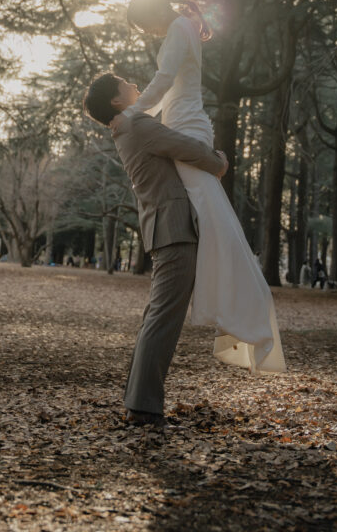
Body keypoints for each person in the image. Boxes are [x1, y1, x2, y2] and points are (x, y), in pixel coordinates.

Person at [117, 0, 286, 374]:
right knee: (208, 219)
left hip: (186, 129)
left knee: (214, 221)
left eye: (144, 24)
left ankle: (244, 313)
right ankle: (232, 309)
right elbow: (167, 90)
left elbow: (162, 79)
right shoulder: (182, 27)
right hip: (180, 122)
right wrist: (139, 116)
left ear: (154, 13)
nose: (147, 32)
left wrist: (131, 114)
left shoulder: (179, 27)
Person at [84, 72, 228, 427]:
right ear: (117, 101)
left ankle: (138, 399)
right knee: (164, 319)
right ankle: (144, 407)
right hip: (174, 228)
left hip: (164, 227)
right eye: (125, 83)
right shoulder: (137, 126)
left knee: (157, 317)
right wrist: (218, 162)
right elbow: (185, 147)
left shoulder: (127, 128)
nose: (134, 84)